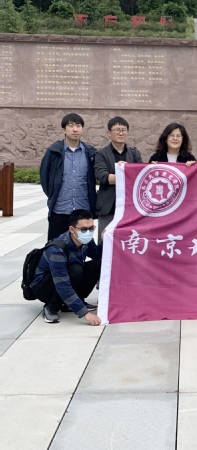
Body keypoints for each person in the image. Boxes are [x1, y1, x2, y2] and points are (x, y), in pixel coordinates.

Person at [31, 209, 102, 325]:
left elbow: (96, 255)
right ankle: (51, 307)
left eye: (91, 228)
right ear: (72, 229)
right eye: (84, 229)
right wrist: (84, 313)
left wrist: (104, 240)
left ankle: (72, 302)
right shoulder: (57, 249)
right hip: (44, 287)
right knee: (75, 269)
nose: (88, 232)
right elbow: (62, 284)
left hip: (66, 279)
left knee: (97, 264)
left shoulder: (86, 241)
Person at [40, 113, 97, 241]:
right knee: (56, 247)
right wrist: (53, 194)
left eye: (78, 126)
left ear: (82, 129)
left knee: (82, 247)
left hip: (83, 209)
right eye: (71, 126)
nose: (75, 129)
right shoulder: (53, 152)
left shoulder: (90, 152)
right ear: (63, 130)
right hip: (60, 209)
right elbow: (44, 177)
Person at [95, 116, 143, 235]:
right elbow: (103, 177)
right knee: (105, 240)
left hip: (130, 207)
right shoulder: (101, 154)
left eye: (123, 130)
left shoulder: (134, 153)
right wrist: (125, 172)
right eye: (117, 130)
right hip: (108, 207)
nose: (121, 133)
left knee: (128, 240)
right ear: (109, 133)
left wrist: (125, 170)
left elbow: (141, 175)